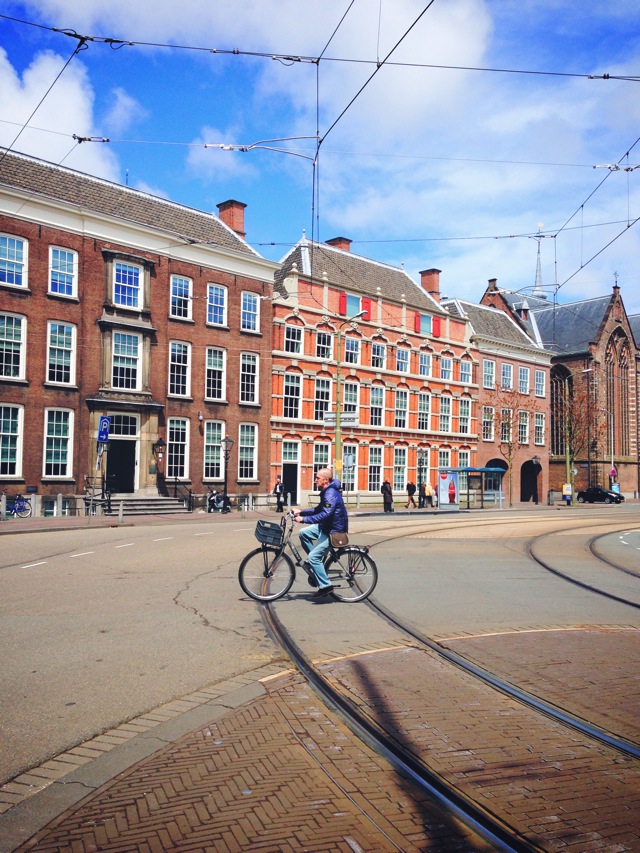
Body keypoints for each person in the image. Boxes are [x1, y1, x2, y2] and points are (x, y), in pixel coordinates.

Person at [294, 468, 348, 597]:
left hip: (334, 531)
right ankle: (314, 561)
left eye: (317, 478)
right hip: (326, 527)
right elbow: (319, 509)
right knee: (303, 533)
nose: (315, 480)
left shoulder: (330, 494)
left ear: (325, 480)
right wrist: (301, 512)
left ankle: (325, 586)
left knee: (313, 558)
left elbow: (325, 514)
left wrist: (303, 519)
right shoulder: (326, 492)